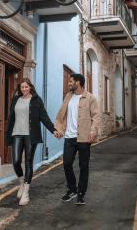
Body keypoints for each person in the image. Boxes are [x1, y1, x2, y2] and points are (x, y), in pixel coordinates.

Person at [6, 78, 61, 206]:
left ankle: (26, 192)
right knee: (16, 161)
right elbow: (12, 118)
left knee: (29, 162)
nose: (24, 89)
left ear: (30, 87)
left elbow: (44, 117)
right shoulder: (15, 100)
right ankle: (21, 183)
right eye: (22, 87)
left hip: (31, 135)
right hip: (17, 133)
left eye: (26, 87)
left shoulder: (36, 100)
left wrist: (53, 130)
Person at [54, 73, 100, 205]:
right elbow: (61, 114)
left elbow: (96, 116)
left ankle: (81, 193)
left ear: (78, 83)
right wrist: (58, 129)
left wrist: (93, 131)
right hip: (69, 136)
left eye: (71, 81)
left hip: (84, 137)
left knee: (83, 166)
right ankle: (72, 189)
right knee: (67, 164)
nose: (69, 84)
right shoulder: (68, 97)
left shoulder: (90, 98)